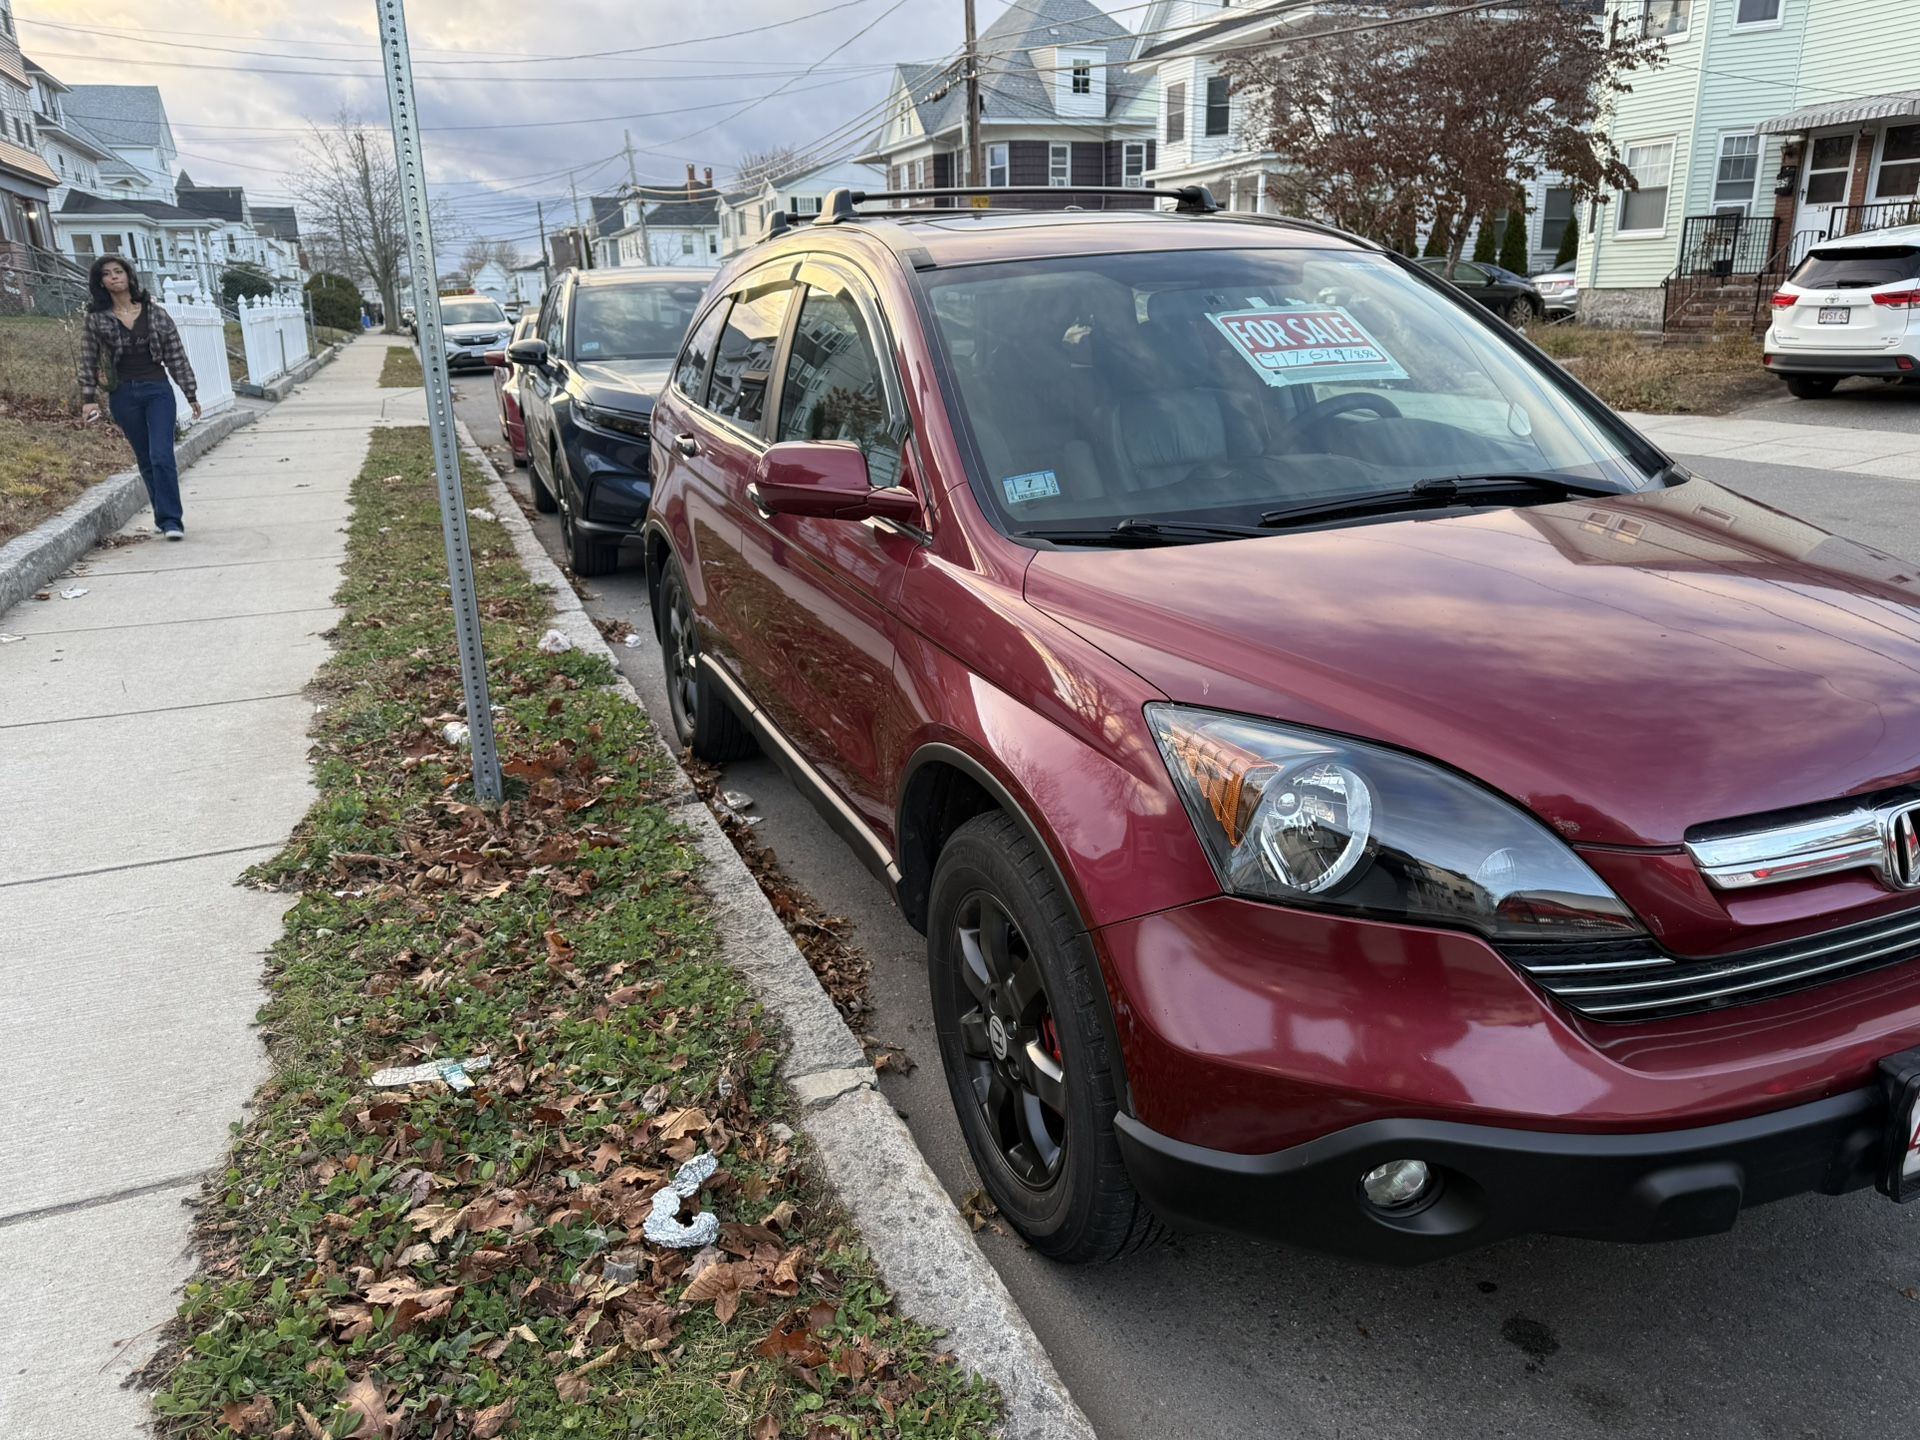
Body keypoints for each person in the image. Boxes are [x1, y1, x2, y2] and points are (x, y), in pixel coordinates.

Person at [77, 257, 202, 540]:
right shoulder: (97, 319)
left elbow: (176, 355)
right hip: (123, 394)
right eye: (107, 274)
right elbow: (88, 359)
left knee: (161, 454)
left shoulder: (155, 314)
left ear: (129, 276)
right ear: (101, 282)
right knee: (145, 458)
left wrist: (190, 392)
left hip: (157, 390)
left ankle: (172, 521)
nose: (113, 277)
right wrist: (89, 398)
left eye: (118, 272)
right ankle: (163, 514)